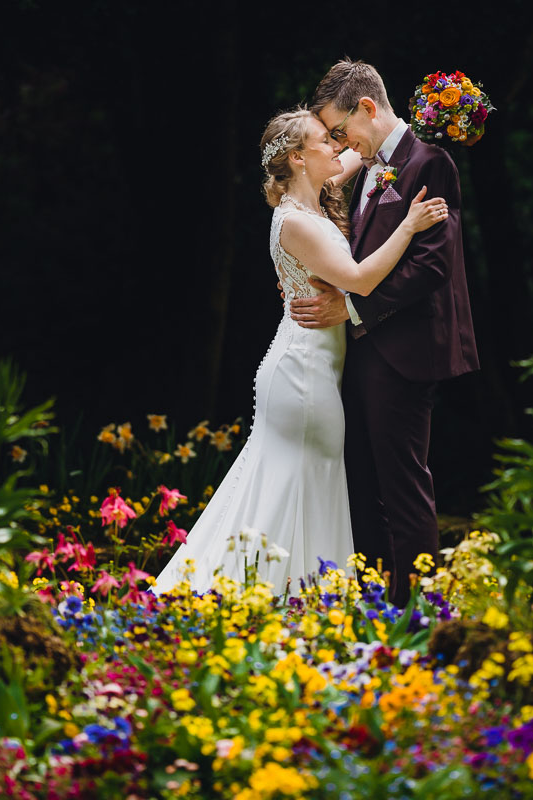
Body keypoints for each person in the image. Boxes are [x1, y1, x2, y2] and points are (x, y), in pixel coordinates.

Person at [154, 107, 447, 596]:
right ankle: (286, 602)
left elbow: (362, 149)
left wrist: (434, 117)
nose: (336, 145)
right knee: (301, 489)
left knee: (291, 488)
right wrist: (410, 225)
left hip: (308, 369)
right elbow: (360, 280)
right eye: (323, 140)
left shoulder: (311, 199)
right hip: (304, 376)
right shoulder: (297, 222)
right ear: (297, 157)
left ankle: (277, 600)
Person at [293, 59, 479, 605]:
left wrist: (351, 310)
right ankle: (375, 597)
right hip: (368, 347)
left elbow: (432, 266)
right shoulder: (374, 163)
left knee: (402, 483)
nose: (339, 141)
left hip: (406, 347)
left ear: (367, 109)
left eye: (339, 129)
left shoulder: (431, 163)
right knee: (363, 479)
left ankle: (413, 608)